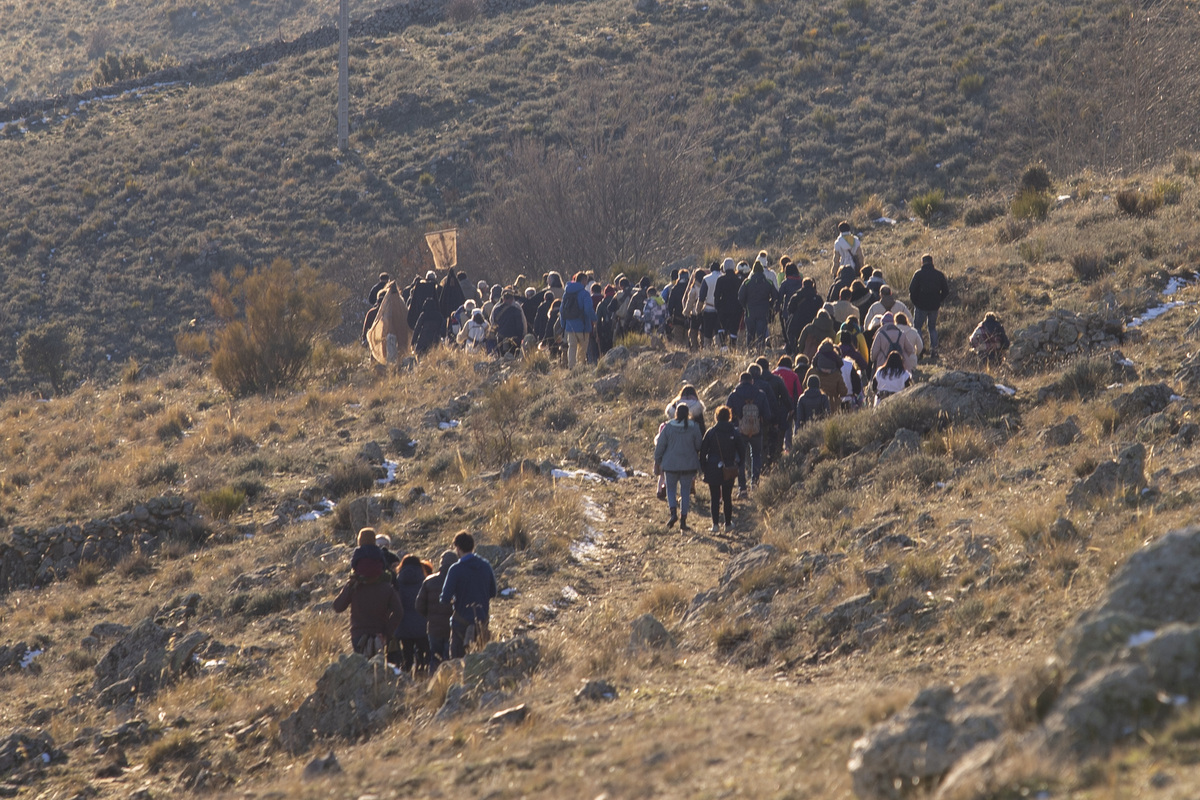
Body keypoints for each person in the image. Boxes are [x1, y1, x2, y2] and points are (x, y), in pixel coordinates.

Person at [333, 547, 404, 659]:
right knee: (382, 669)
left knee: (363, 670)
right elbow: (399, 612)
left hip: (359, 637)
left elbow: (337, 607)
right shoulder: (387, 587)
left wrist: (348, 587)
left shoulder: (354, 586)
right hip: (381, 636)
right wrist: (386, 633)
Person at [439, 531, 497, 658]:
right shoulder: (486, 566)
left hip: (460, 623)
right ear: (473, 547)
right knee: (481, 660)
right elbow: (493, 592)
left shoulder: (455, 569)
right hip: (481, 621)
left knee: (458, 661)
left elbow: (445, 598)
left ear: (458, 548)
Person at [653, 402, 703, 531]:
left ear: (675, 413)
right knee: (685, 492)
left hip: (670, 464)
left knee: (670, 490)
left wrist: (658, 460)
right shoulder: (694, 427)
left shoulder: (669, 427)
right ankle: (683, 521)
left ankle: (673, 513)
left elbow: (660, 446)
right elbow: (699, 445)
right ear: (688, 414)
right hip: (688, 465)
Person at [700, 406, 746, 533]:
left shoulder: (711, 432)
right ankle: (728, 524)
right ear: (729, 417)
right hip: (729, 467)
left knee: (714, 497)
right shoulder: (734, 432)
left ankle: (715, 525)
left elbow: (703, 451)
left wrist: (704, 467)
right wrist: (739, 464)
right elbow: (742, 451)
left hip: (712, 468)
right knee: (727, 497)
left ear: (717, 417)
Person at [726, 371, 772, 491]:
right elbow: (767, 415)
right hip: (757, 430)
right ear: (752, 381)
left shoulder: (733, 395)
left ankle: (742, 487)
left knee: (740, 458)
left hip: (739, 431)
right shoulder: (760, 394)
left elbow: (727, 415)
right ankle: (754, 483)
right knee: (756, 455)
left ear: (740, 381)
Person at [416, 550, 457, 672]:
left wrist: (430, 617)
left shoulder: (429, 581)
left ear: (441, 563)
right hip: (452, 628)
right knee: (450, 659)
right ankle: (449, 684)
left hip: (434, 628)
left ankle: (433, 684)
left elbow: (419, 605)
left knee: (434, 658)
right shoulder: (459, 580)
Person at [393, 554, 431, 675]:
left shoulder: (397, 582)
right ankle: (422, 677)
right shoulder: (425, 581)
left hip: (403, 627)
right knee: (423, 656)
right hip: (422, 626)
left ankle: (406, 680)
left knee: (407, 657)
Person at [908, 253, 950, 358]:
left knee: (917, 327)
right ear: (932, 262)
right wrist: (938, 300)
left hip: (921, 306)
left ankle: (920, 350)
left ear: (922, 262)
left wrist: (916, 302)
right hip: (934, 306)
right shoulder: (939, 274)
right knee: (932, 328)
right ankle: (934, 351)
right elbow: (946, 291)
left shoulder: (918, 274)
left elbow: (911, 290)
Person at [366, 281, 411, 368]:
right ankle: (394, 372)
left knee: (391, 359)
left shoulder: (387, 304)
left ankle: (392, 372)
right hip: (399, 334)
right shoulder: (400, 303)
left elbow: (381, 319)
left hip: (390, 335)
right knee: (398, 357)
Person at [738, 262, 779, 349]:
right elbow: (776, 296)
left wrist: (745, 306)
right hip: (763, 312)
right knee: (761, 336)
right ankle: (760, 354)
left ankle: (749, 353)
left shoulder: (747, 283)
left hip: (750, 312)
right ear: (762, 271)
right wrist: (770, 305)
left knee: (750, 335)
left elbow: (740, 297)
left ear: (753, 271)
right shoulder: (769, 283)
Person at [560, 271, 597, 369]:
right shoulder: (585, 294)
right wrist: (595, 319)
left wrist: (563, 325)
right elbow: (588, 309)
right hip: (583, 326)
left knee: (572, 348)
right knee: (582, 350)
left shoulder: (566, 293)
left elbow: (562, 311)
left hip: (569, 327)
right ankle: (580, 369)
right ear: (583, 280)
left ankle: (571, 368)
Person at [805, 340, 849, 410]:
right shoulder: (836, 374)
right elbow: (843, 391)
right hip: (832, 406)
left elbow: (804, 386)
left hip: (812, 407)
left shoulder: (812, 371)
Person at [785, 278, 822, 355]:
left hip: (797, 324)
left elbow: (790, 310)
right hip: (813, 325)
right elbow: (821, 311)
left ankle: (796, 353)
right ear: (813, 285)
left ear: (802, 285)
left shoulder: (796, 296)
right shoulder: (818, 298)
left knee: (794, 339)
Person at [714, 260, 744, 349]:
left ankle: (723, 346)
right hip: (736, 309)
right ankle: (732, 347)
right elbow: (741, 296)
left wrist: (717, 307)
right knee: (733, 330)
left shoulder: (720, 280)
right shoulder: (739, 280)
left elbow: (716, 295)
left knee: (722, 328)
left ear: (724, 267)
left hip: (723, 309)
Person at [492, 289, 529, 356]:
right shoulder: (516, 310)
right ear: (512, 300)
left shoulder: (496, 310)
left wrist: (496, 333)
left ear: (503, 299)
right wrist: (522, 335)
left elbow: (493, 323)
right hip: (514, 339)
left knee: (502, 356)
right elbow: (520, 325)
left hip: (501, 337)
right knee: (514, 356)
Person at [698, 261, 723, 346]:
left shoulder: (706, 279)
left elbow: (701, 297)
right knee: (719, 333)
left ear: (711, 269)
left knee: (707, 334)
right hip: (721, 310)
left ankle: (707, 350)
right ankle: (719, 350)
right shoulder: (723, 277)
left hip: (708, 309)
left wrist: (698, 310)